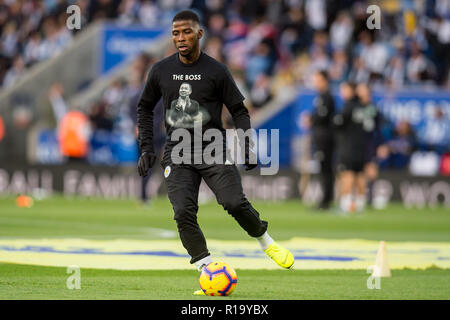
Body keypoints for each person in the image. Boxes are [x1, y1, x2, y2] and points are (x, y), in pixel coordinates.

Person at [136, 10, 294, 295]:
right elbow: (145, 107)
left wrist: (247, 145)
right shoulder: (160, 70)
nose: (180, 38)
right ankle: (207, 268)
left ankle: (266, 242)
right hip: (177, 151)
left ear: (199, 34)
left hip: (212, 147)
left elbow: (238, 110)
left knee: (234, 202)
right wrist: (146, 147)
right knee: (183, 211)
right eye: (175, 33)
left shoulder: (217, 71)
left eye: (186, 32)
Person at [334, 82, 378, 213]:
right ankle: (359, 204)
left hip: (350, 146)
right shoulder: (369, 109)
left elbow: (338, 124)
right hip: (363, 146)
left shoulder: (351, 107)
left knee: (347, 173)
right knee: (359, 174)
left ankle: (346, 204)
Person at [310, 70, 335, 210]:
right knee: (323, 168)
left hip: (325, 139)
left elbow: (323, 116)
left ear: (325, 80)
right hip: (320, 137)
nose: (315, 83)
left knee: (325, 169)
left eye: (318, 80)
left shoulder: (327, 97)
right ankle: (325, 199)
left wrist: (311, 119)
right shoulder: (321, 96)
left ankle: (326, 201)